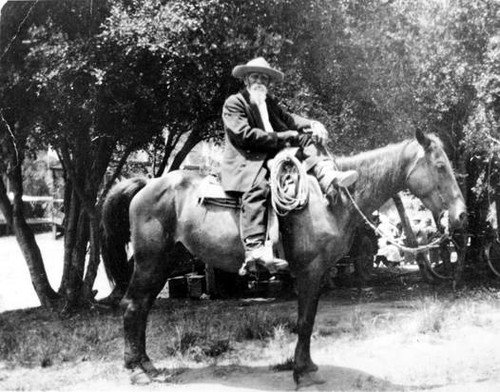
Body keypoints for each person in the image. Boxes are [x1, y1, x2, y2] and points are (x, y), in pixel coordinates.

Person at [221, 57, 358, 272]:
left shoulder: (269, 103)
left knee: (307, 138)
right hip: (248, 160)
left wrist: (313, 124)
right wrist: (285, 136)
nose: (260, 81)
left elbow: (291, 119)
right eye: (255, 76)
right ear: (246, 80)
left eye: (264, 78)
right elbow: (244, 135)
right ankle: (254, 248)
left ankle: (326, 172)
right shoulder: (235, 103)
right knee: (260, 185)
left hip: (271, 155)